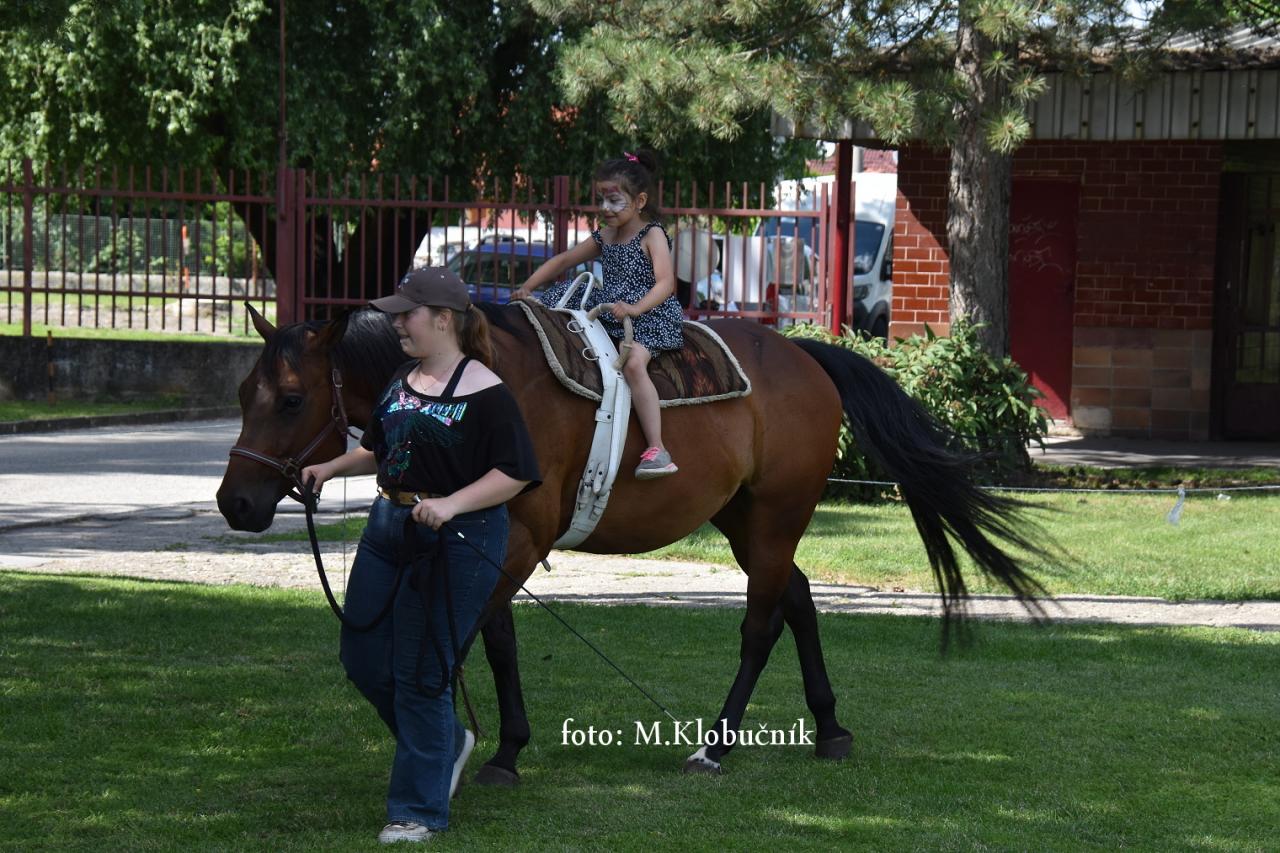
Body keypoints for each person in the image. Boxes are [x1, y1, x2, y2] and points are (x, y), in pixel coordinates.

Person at [301, 266, 540, 845]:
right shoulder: (402, 378)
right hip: (389, 527)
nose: (397, 323)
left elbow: (515, 473)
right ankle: (447, 743)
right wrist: (330, 467)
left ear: (443, 320)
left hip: (458, 540)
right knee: (362, 658)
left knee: (423, 673)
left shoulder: (486, 391)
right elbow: (381, 449)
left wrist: (452, 504)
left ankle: (416, 811)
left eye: (407, 314)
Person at [512, 151, 682, 479]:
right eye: (601, 199)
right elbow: (564, 260)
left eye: (614, 200)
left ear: (640, 201)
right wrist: (527, 287)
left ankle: (657, 448)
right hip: (611, 310)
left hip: (650, 315)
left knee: (633, 363)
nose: (605, 208)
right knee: (563, 321)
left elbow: (666, 283)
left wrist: (635, 308)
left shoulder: (652, 234)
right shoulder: (605, 235)